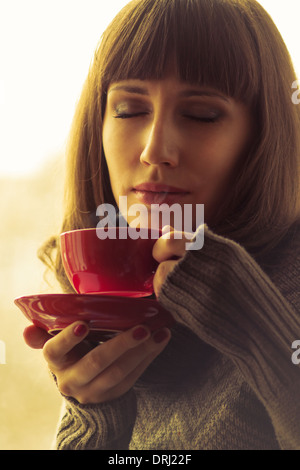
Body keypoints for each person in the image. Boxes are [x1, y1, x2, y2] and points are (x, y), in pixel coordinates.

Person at [23, 0, 300, 450]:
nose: (155, 149)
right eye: (130, 110)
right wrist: (94, 414)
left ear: (263, 137)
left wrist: (257, 328)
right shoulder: (115, 312)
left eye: (201, 115)